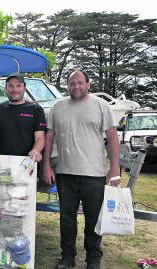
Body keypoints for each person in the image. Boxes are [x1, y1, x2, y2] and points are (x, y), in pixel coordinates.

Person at [42, 69, 120, 269]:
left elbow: (112, 138)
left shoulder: (101, 106)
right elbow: (49, 137)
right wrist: (47, 165)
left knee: (94, 220)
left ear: (88, 84)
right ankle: (68, 258)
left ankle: (93, 259)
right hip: (65, 173)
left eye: (79, 83)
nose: (75, 86)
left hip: (94, 174)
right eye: (71, 83)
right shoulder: (57, 107)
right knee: (67, 220)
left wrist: (114, 168)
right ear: (67, 86)